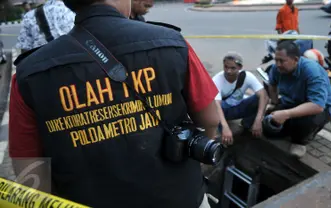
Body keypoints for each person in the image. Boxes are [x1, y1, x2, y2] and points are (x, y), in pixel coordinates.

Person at [9, 0, 220, 207]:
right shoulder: (172, 42)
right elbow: (210, 119)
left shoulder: (29, 74)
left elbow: (30, 173)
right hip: (180, 197)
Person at [265, 41, 331, 158]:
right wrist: (274, 103)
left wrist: (286, 113)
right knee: (270, 130)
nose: (278, 64)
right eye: (276, 60)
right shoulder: (276, 69)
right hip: (295, 101)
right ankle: (292, 128)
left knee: (305, 121)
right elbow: (272, 85)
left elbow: (317, 105)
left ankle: (301, 141)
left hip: (322, 107)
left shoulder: (312, 71)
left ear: (295, 59)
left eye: (282, 61)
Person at [213, 52, 268, 145]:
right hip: (223, 111)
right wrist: (225, 127)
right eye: (226, 67)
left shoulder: (247, 76)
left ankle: (246, 125)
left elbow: (263, 95)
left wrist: (258, 120)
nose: (228, 71)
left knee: (260, 99)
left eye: (232, 68)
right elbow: (216, 105)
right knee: (211, 106)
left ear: (240, 67)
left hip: (238, 107)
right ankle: (221, 131)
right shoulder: (217, 80)